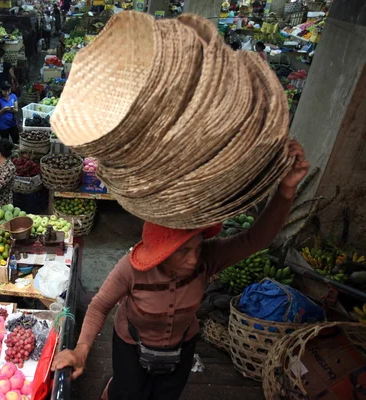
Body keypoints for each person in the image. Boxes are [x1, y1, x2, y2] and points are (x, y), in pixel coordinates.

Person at [51, 141, 310, 400]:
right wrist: (81, 349)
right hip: (131, 344)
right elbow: (99, 306)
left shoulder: (208, 258)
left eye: (197, 248)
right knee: (127, 393)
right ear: (159, 253)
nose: (193, 259)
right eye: (182, 252)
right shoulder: (132, 268)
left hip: (181, 346)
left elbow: (256, 239)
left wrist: (286, 191)